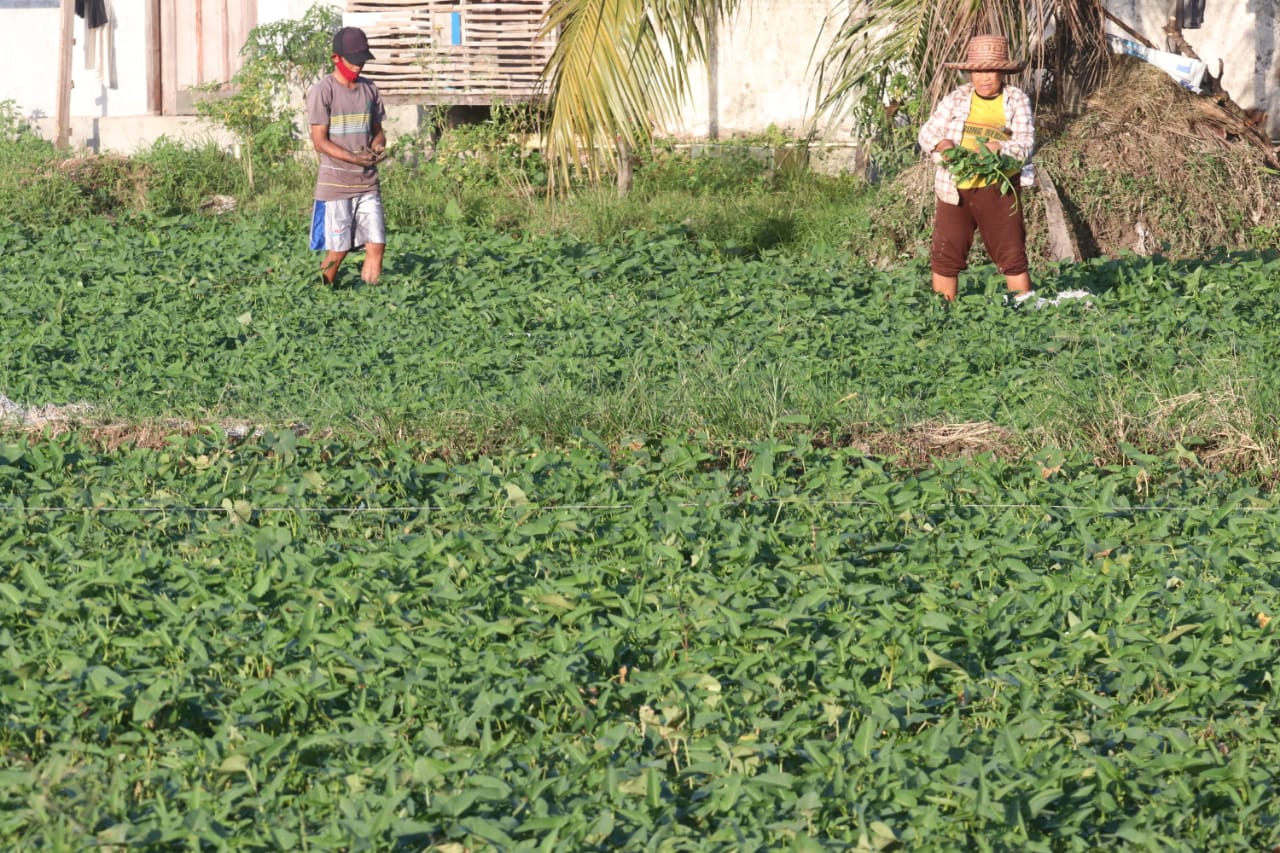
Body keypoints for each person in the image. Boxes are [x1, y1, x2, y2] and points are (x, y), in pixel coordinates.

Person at [917, 34, 1035, 304]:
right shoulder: (956, 99)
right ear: (970, 73)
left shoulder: (1016, 100)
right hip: (954, 189)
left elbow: (1026, 143)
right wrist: (942, 145)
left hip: (998, 188)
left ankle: (1025, 314)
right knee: (946, 254)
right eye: (978, 71)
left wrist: (999, 149)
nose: (984, 78)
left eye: (991, 71)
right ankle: (943, 314)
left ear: (1002, 72)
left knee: (1012, 253)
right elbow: (927, 133)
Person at [307, 26, 387, 286]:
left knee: (377, 244)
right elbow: (319, 142)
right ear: (336, 58)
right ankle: (322, 289)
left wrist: (376, 148)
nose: (358, 67)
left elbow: (378, 132)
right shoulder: (323, 90)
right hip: (336, 185)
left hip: (367, 182)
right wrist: (354, 158)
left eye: (362, 60)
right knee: (338, 250)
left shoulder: (370, 89)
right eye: (353, 61)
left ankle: (372, 301)